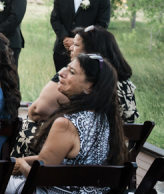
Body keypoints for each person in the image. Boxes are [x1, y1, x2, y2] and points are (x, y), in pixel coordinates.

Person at [0, 53, 129, 194]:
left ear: (90, 87)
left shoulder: (67, 124)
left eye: (71, 71)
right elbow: (47, 163)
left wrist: (19, 166)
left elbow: (41, 174)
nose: (61, 72)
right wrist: (17, 162)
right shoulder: (110, 121)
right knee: (11, 183)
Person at [14, 25, 138, 158]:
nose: (70, 48)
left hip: (74, 149)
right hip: (116, 150)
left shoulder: (78, 81)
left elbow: (37, 111)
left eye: (76, 45)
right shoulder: (126, 84)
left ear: (91, 53)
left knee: (27, 127)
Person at [50, 0, 110, 72]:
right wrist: (65, 37)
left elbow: (101, 24)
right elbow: (54, 19)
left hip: (88, 51)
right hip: (62, 50)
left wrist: (79, 40)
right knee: (61, 85)